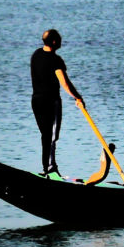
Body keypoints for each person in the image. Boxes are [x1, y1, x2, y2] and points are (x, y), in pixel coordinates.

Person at [30, 29, 84, 179]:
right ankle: (49, 168)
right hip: (50, 102)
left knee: (45, 135)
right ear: (54, 42)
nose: (61, 41)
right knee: (51, 135)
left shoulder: (36, 55)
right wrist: (78, 98)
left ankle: (48, 167)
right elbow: (65, 84)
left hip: (36, 101)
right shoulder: (55, 60)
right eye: (59, 39)